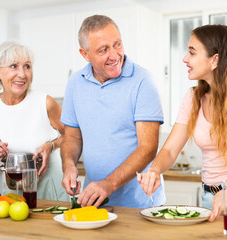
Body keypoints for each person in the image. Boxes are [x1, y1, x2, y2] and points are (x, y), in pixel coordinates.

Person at [138, 24, 227, 221]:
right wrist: (154, 170)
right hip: (209, 203)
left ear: (215, 60)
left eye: (192, 52)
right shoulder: (192, 98)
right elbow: (171, 150)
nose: (185, 59)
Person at [60, 15, 165, 208]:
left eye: (117, 44)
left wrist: (108, 184)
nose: (115, 55)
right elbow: (72, 138)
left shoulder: (143, 81)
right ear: (85, 54)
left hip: (139, 204)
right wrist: (69, 165)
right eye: (103, 50)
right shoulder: (76, 82)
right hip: (94, 202)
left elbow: (148, 148)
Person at [0, 41, 68, 201]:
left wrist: (51, 146)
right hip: (12, 188)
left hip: (50, 186)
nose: (22, 74)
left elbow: (73, 135)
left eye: (27, 66)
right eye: (14, 66)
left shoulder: (45, 102)